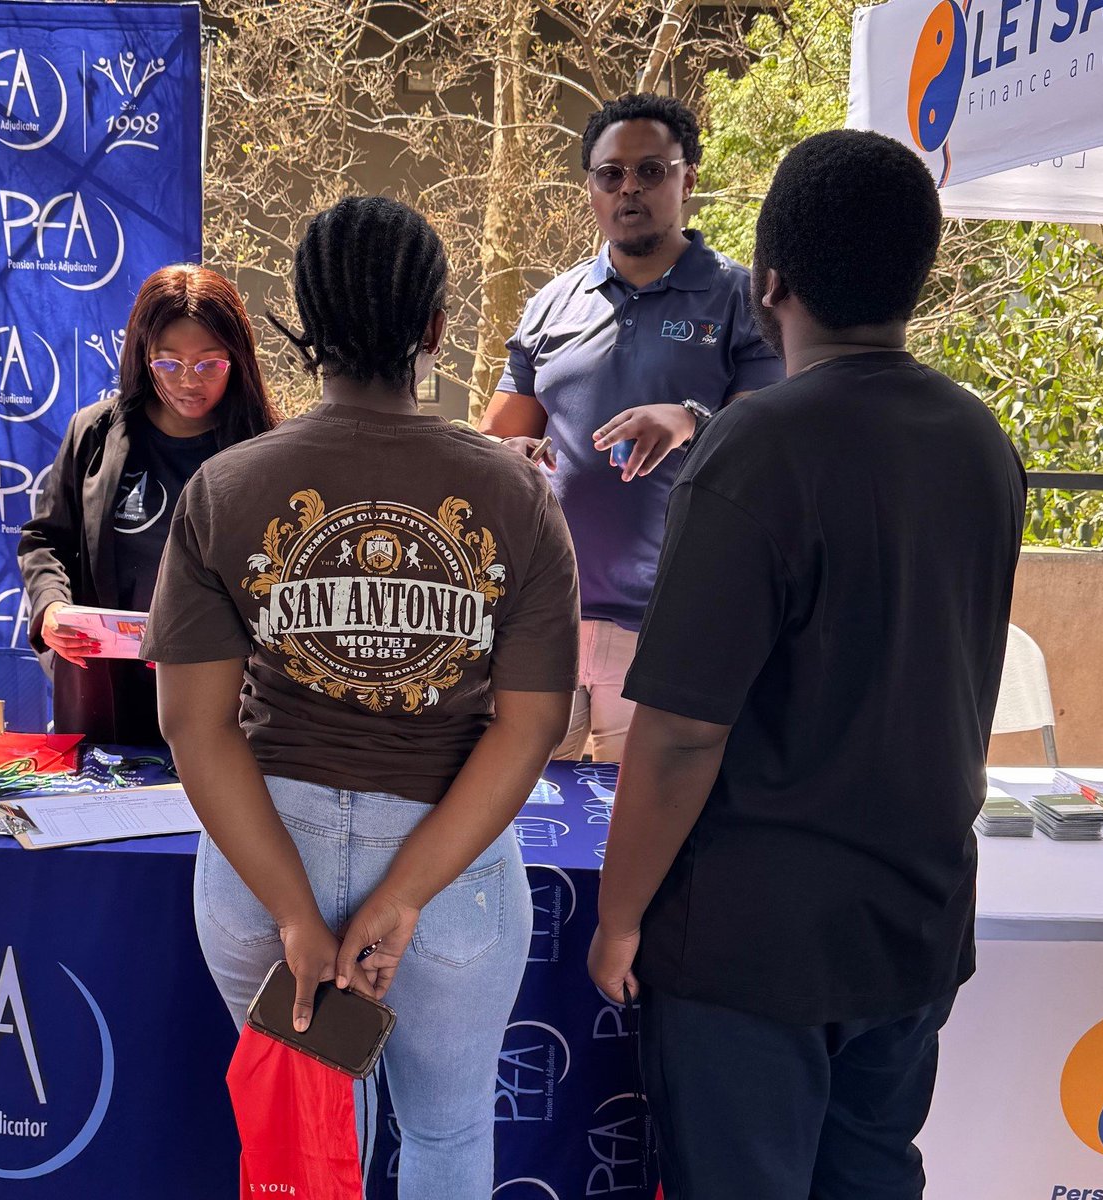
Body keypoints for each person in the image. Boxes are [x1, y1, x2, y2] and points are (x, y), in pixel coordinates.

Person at [588, 130, 1026, 1198]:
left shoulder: (757, 446)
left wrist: (619, 915)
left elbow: (685, 730)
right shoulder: (982, 439)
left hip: (754, 948)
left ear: (767, 281)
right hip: (913, 925)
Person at [141, 198, 579, 1197]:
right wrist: (405, 893)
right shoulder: (515, 496)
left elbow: (192, 727)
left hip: (262, 857)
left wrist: (296, 913)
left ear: (301, 324)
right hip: (449, 861)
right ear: (433, 329)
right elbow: (532, 725)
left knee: (315, 1130)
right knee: (447, 1132)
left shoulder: (224, 488)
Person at [481, 93, 782, 760]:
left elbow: (774, 436)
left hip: (670, 625)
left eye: (651, 171)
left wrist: (690, 418)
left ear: (688, 178)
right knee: (530, 820)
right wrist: (509, 451)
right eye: (610, 174)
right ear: (590, 185)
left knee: (643, 825)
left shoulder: (741, 299)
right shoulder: (551, 304)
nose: (629, 189)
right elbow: (499, 438)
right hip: (542, 617)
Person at [18, 265, 278, 743]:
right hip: (109, 688)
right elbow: (44, 540)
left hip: (228, 698)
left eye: (209, 364)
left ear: (237, 360)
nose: (187, 381)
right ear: (143, 356)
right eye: (168, 363)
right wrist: (50, 607)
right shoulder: (94, 433)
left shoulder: (267, 450)